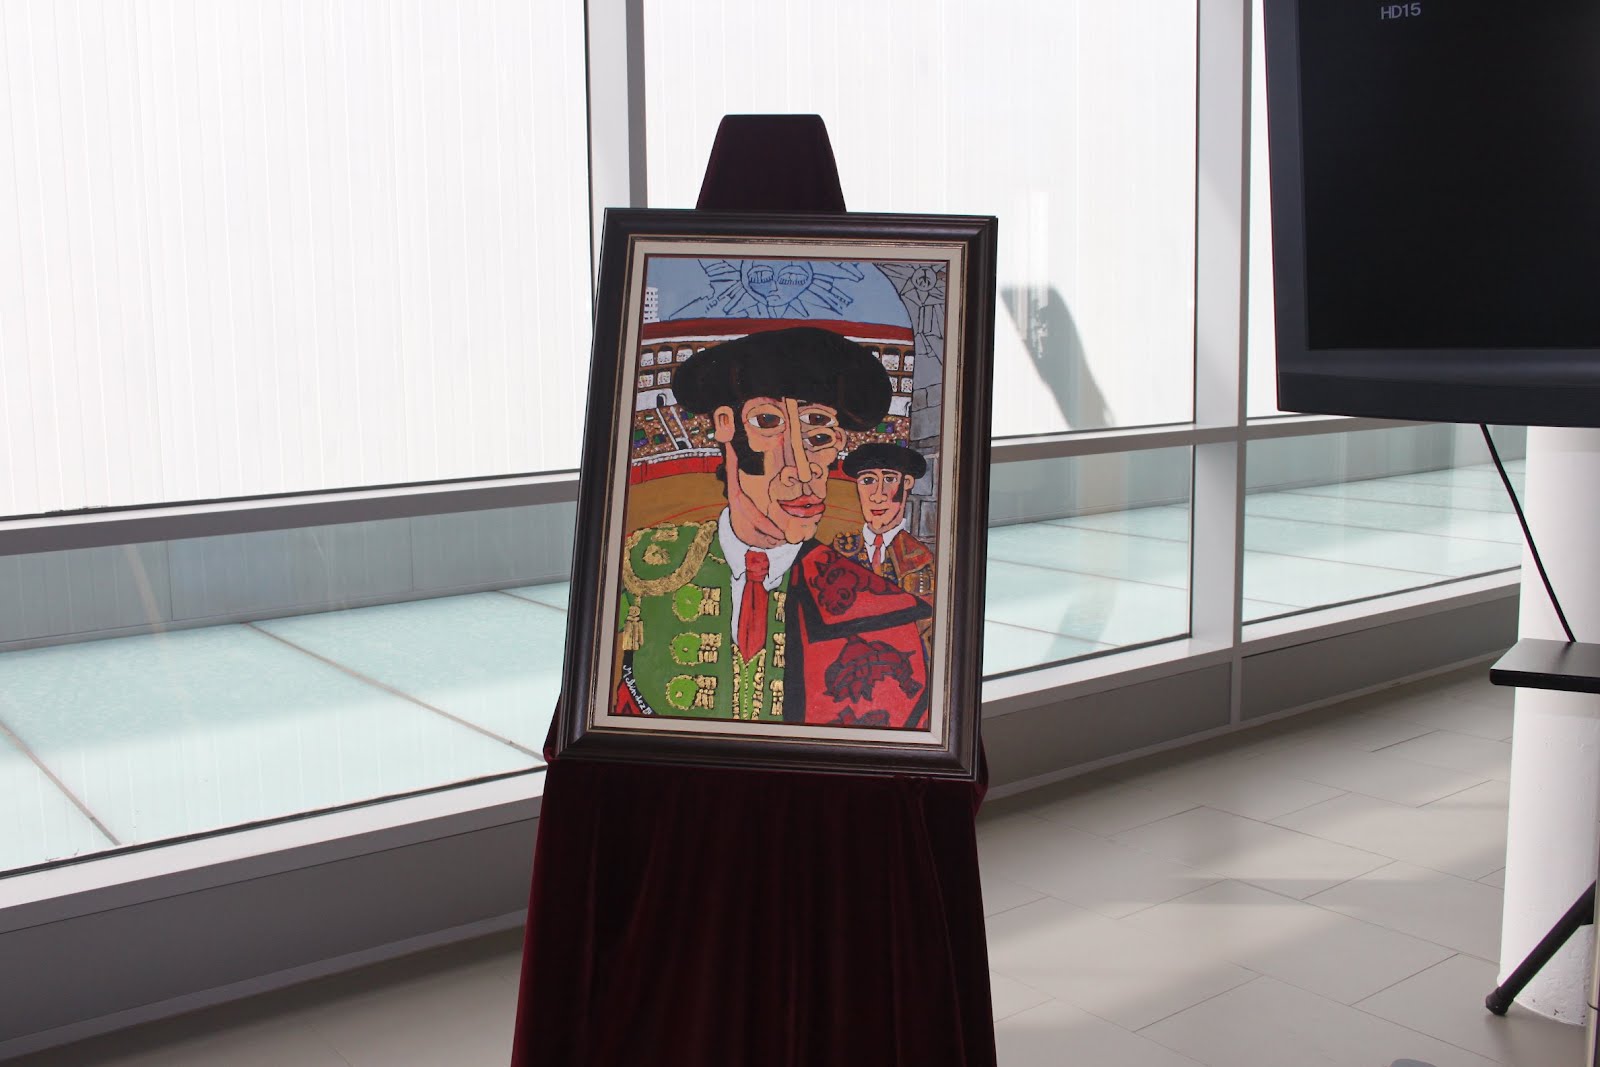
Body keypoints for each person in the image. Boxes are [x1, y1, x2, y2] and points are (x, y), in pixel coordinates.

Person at [615, 326, 932, 729]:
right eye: (767, 422)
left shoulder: (883, 614)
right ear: (725, 424)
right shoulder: (644, 565)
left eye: (819, 433)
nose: (803, 469)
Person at [832, 442, 936, 603]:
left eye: (889, 479)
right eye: (867, 480)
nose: (878, 496)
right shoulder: (839, 550)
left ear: (907, 483)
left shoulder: (921, 558)